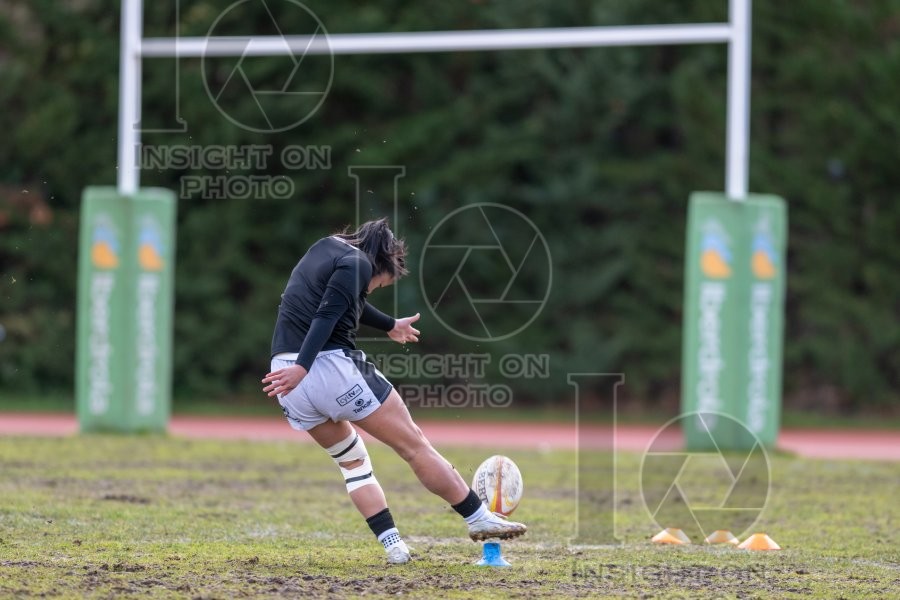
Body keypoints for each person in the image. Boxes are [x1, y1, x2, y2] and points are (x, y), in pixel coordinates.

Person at [262, 218, 527, 565]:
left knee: (353, 463)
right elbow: (327, 315)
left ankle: (394, 548)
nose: (373, 290)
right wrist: (306, 365)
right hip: (325, 367)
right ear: (382, 262)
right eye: (382, 283)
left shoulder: (326, 249)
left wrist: (389, 324)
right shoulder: (359, 263)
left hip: (284, 376)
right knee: (414, 445)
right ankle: (477, 516)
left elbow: (341, 302)